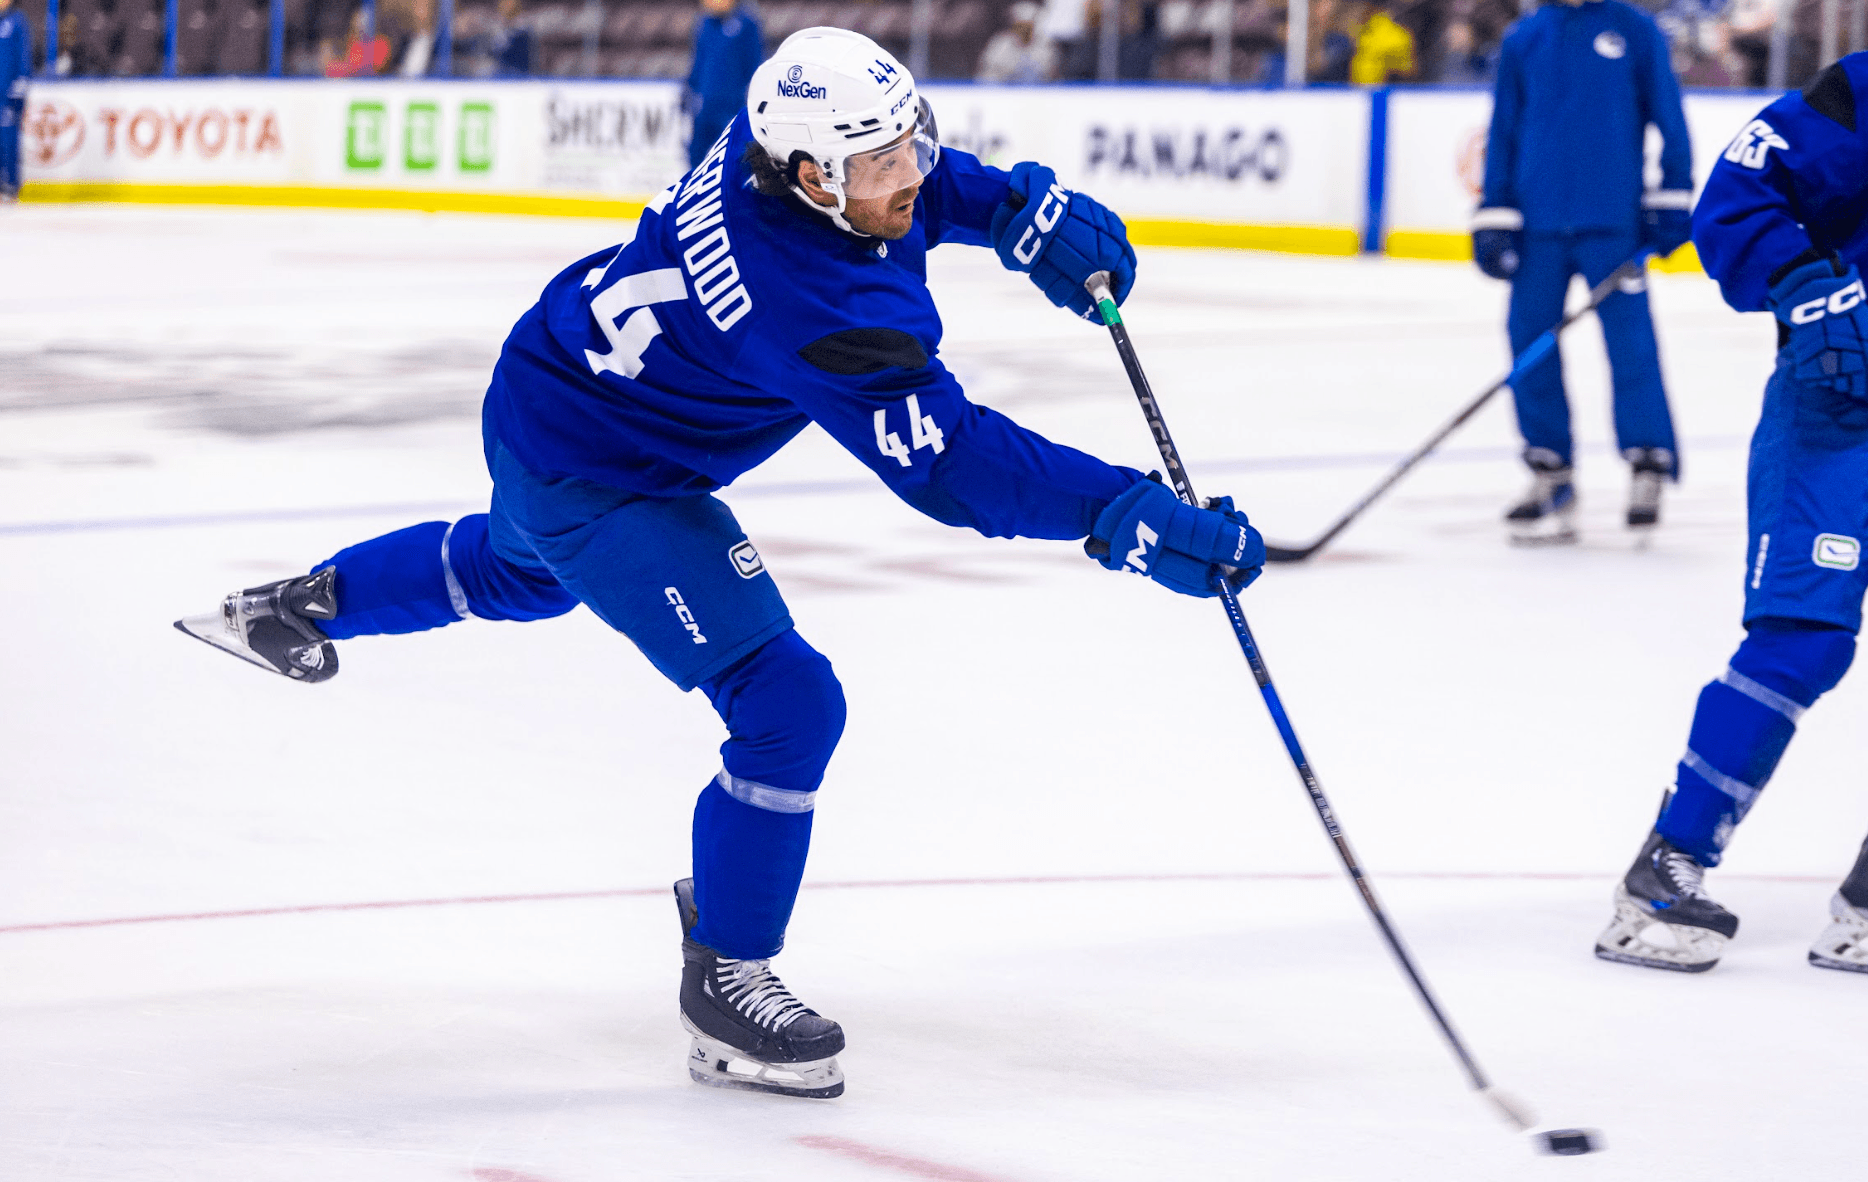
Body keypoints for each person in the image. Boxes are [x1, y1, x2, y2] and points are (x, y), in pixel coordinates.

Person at [173, 26, 1266, 1097]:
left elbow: (909, 192)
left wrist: (1012, 210)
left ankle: (306, 604)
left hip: (546, 392)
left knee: (524, 570)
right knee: (788, 703)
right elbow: (952, 467)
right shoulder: (816, 306)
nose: (910, 174)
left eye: (914, 141)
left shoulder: (780, 158)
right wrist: (1116, 512)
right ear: (808, 175)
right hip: (601, 469)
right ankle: (725, 975)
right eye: (880, 164)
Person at [1592, 57, 1868, 977]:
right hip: (1842, 410)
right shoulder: (1862, 91)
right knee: (1802, 639)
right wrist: (1804, 281)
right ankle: (1665, 870)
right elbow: (1742, 191)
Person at [1471, 0, 1692, 544]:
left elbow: (1670, 117)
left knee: (1631, 344)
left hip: (1614, 223)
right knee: (1529, 343)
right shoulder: (1526, 37)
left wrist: (1671, 196)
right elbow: (1504, 129)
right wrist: (1494, 211)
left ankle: (1647, 462)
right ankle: (1551, 469)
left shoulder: (1634, 30)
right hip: (1538, 224)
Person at [684, 0, 763, 171]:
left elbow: (754, 66)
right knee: (696, 156)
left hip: (732, 109)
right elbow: (698, 64)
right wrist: (689, 91)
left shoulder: (747, 24)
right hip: (705, 109)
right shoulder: (704, 24)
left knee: (734, 159)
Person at [976, 1, 1056, 82]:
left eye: (1028, 26)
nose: (1024, 30)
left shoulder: (1045, 48)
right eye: (1020, 25)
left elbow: (1052, 79)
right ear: (1014, 24)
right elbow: (986, 77)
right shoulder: (1000, 45)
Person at [0, 0, 28, 203]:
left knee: (9, 138)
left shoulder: (17, 21)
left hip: (9, 93)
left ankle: (11, 185)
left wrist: (20, 84)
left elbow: (23, 55)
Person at [1349, 0, 1415, 83]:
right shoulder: (1399, 34)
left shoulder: (1395, 36)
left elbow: (1408, 72)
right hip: (1353, 89)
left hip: (1377, 90)